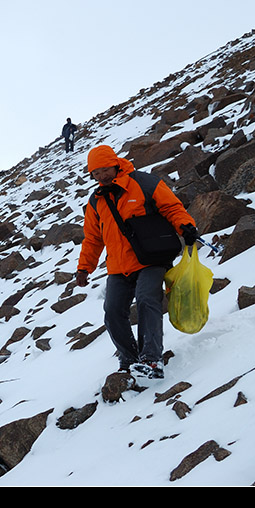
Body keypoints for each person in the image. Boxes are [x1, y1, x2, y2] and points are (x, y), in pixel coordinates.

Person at [75, 145, 198, 380]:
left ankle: (151, 359)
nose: (101, 176)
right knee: (112, 312)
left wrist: (185, 226)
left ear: (115, 164)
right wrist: (84, 268)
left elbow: (171, 207)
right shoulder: (96, 201)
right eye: (96, 173)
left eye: (104, 170)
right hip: (118, 267)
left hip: (151, 258)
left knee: (146, 300)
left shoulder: (144, 183)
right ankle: (129, 359)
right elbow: (92, 238)